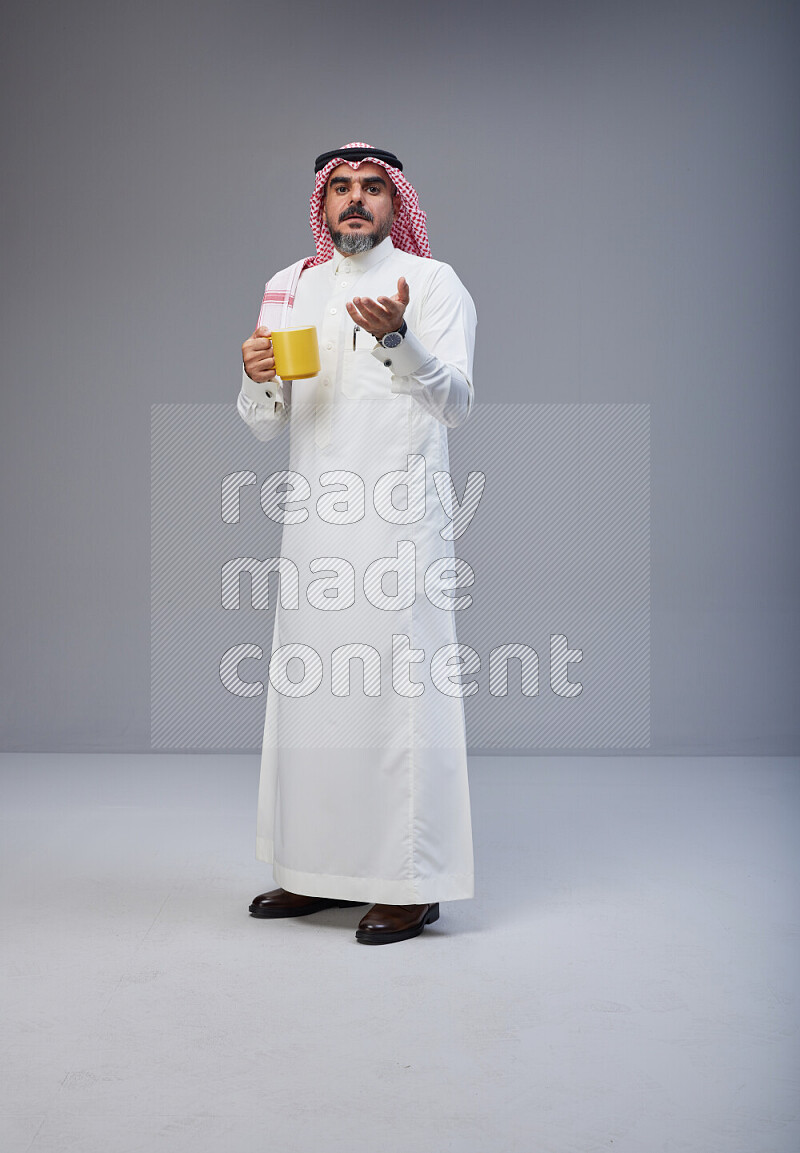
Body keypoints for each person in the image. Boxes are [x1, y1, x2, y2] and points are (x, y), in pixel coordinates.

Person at [238, 142, 477, 945]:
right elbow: (266, 422)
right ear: (322, 200)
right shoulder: (291, 285)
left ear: (394, 201)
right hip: (312, 525)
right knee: (313, 699)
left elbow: (456, 402)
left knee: (395, 702)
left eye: (373, 188)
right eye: (340, 187)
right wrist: (255, 373)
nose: (355, 201)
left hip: (398, 527)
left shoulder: (435, 285)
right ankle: (314, 871)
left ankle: (409, 883)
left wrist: (401, 336)